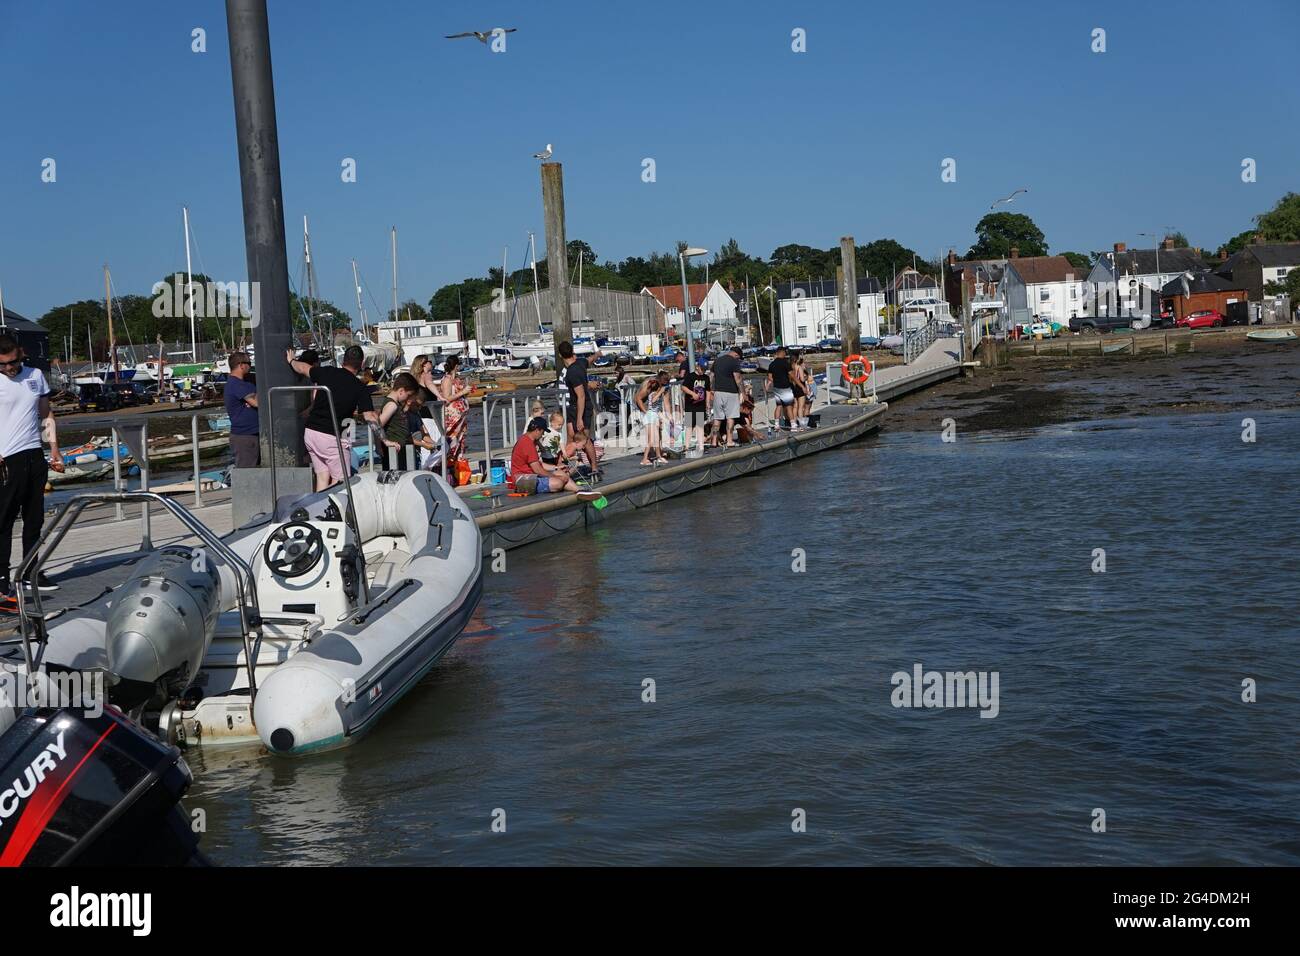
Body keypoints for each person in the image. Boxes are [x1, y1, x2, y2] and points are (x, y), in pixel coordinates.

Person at [0, 334, 63, 604]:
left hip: (34, 455)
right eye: (1, 365)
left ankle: (30, 572)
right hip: (7, 459)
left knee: (34, 519)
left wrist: (55, 449)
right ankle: (2, 580)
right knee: (3, 522)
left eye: (12, 363)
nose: (8, 369)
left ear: (20, 354)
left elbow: (46, 413)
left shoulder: (35, 375)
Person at [287, 344, 379, 490]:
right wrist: (384, 439)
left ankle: (317, 509)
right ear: (361, 364)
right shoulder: (359, 387)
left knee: (322, 477)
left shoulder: (327, 372)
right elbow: (369, 417)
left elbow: (303, 368)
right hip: (331, 437)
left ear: (343, 360)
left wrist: (291, 361)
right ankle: (335, 511)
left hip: (311, 433)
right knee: (341, 482)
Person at [558, 341, 599, 476]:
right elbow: (589, 359)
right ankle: (570, 468)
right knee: (571, 436)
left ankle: (594, 468)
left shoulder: (572, 372)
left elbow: (581, 396)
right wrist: (597, 354)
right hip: (573, 407)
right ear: (572, 352)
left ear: (560, 355)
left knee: (584, 439)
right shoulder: (580, 363)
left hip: (581, 408)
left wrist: (580, 418)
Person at [510, 416, 577, 494]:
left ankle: (579, 490)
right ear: (537, 430)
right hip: (524, 481)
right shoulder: (527, 444)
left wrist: (556, 467)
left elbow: (538, 464)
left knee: (562, 474)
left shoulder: (527, 440)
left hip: (531, 476)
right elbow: (537, 470)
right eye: (542, 432)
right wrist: (554, 476)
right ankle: (577, 490)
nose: (542, 435)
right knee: (558, 482)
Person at [436, 354, 473, 475]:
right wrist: (462, 391)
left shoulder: (456, 379)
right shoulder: (447, 380)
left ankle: (457, 467)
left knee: (461, 440)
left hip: (461, 415)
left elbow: (459, 394)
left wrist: (466, 393)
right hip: (452, 416)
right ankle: (449, 468)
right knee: (452, 440)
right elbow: (446, 398)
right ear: (456, 366)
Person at [223, 350, 259, 468]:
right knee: (247, 473)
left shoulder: (246, 382)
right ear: (241, 365)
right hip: (244, 436)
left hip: (253, 433)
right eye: (249, 363)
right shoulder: (235, 384)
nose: (250, 366)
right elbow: (257, 402)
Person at [377, 372, 420, 469]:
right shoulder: (392, 405)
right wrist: (385, 441)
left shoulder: (396, 404)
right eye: (408, 395)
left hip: (399, 450)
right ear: (401, 391)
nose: (409, 398)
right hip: (394, 453)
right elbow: (376, 425)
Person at [709, 344, 744, 448]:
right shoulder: (734, 362)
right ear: (736, 355)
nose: (738, 359)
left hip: (718, 392)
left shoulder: (717, 360)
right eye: (739, 357)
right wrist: (742, 392)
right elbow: (737, 379)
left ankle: (714, 441)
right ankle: (729, 440)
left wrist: (711, 389)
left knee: (717, 418)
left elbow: (711, 376)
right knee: (730, 417)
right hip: (731, 392)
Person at [635, 370, 670, 466]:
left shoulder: (661, 390)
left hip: (653, 415)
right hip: (650, 415)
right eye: (664, 384)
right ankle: (645, 459)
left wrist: (667, 417)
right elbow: (640, 398)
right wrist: (646, 412)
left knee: (657, 438)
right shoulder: (653, 392)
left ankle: (658, 456)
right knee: (651, 440)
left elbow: (663, 405)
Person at [680, 355, 710, 457]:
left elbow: (708, 391)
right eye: (702, 368)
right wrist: (692, 394)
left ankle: (701, 446)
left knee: (700, 426)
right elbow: (683, 387)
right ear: (697, 366)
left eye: (705, 369)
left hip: (701, 405)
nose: (703, 371)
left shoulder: (706, 378)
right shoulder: (690, 376)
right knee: (689, 426)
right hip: (690, 405)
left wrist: (708, 403)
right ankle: (686, 447)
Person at [766, 346, 796, 431]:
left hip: (776, 388)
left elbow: (770, 377)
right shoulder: (785, 363)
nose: (785, 354)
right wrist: (799, 384)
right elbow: (792, 375)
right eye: (785, 352)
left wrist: (777, 380)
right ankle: (793, 425)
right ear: (782, 353)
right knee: (789, 406)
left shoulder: (772, 364)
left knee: (778, 406)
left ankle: (776, 425)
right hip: (785, 387)